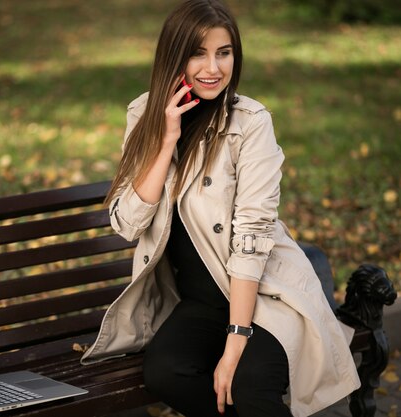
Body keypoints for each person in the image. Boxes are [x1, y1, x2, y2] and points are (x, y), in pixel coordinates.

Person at [81, 1, 361, 416]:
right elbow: (126, 222)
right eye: (198, 52)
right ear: (174, 55)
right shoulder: (144, 113)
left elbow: (251, 240)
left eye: (224, 52)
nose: (213, 67)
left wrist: (235, 343)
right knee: (165, 373)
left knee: (247, 386)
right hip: (199, 301)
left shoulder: (250, 123)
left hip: (262, 295)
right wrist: (164, 141)